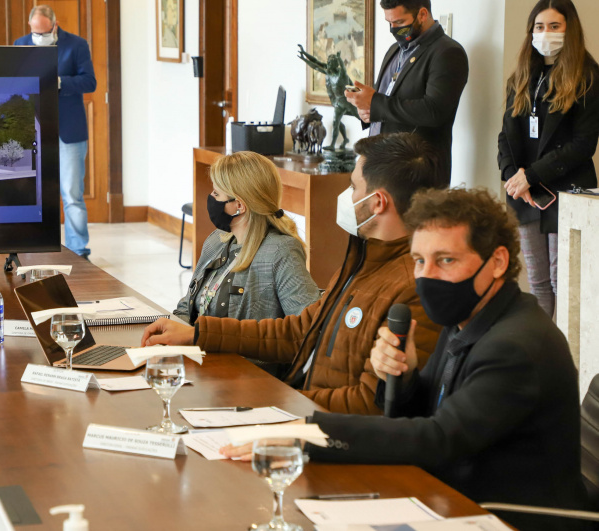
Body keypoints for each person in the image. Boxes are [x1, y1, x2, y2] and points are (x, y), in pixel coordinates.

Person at [222, 188, 590, 531]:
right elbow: (428, 414)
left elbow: (438, 438)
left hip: (505, 517)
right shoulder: (468, 317)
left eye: (445, 260)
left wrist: (308, 434)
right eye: (419, 261)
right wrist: (403, 376)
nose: (426, 276)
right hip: (447, 499)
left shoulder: (517, 346)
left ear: (497, 262)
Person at [142, 133, 442, 414]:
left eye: (352, 187)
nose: (346, 195)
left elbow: (370, 402)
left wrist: (275, 399)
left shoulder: (413, 287)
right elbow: (299, 331)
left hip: (319, 426)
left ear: (377, 202)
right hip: (298, 407)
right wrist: (197, 333)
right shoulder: (361, 263)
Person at [498, 0, 599, 318]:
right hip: (526, 196)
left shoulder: (588, 76)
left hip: (565, 194)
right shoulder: (524, 75)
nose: (545, 33)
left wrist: (531, 175)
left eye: (554, 25)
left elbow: (583, 145)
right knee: (538, 282)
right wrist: (513, 177)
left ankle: (565, 362)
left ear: (570, 30)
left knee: (563, 282)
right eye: (539, 26)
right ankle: (541, 357)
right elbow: (506, 137)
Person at [344, 0, 468, 187]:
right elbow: (385, 100)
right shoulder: (394, 50)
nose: (393, 29)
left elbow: (434, 111)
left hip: (416, 173)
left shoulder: (447, 52)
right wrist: (367, 110)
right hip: (381, 165)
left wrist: (375, 103)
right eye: (389, 23)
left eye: (400, 23)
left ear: (422, 14)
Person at [174, 151, 319, 327]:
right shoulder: (216, 241)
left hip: (236, 355)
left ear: (239, 206)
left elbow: (309, 326)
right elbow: (187, 305)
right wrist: (174, 333)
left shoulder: (281, 251)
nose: (211, 198)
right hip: (198, 350)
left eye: (216, 193)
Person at [14, 5, 97, 258]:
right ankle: (31, 242)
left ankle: (78, 250)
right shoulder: (20, 44)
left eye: (44, 32)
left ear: (54, 25)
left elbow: (89, 82)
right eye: (35, 32)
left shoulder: (77, 45)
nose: (39, 37)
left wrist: (59, 81)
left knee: (72, 194)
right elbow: (14, 80)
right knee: (31, 192)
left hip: (69, 132)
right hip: (33, 129)